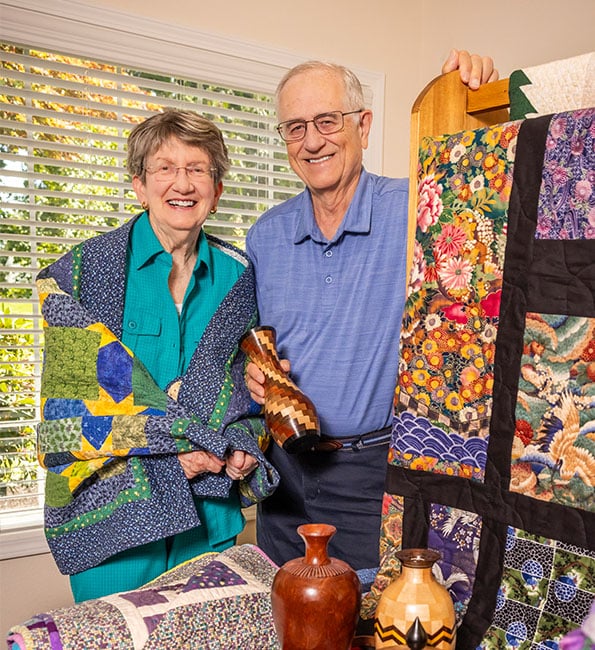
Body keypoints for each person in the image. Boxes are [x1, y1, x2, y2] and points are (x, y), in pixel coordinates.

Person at [245, 50, 498, 572]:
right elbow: (250, 343)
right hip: (285, 475)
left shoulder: (420, 209)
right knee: (287, 618)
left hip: (377, 472)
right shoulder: (264, 236)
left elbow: (498, 196)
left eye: (326, 121)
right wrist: (252, 375)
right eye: (294, 128)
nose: (311, 141)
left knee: (377, 621)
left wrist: (484, 105)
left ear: (363, 125)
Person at [36, 109, 279, 602]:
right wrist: (178, 457)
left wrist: (241, 445)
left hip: (209, 522)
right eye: (164, 168)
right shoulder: (83, 275)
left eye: (197, 169)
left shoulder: (240, 278)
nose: (182, 183)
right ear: (139, 186)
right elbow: (68, 425)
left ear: (217, 189)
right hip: (114, 525)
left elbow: (253, 396)